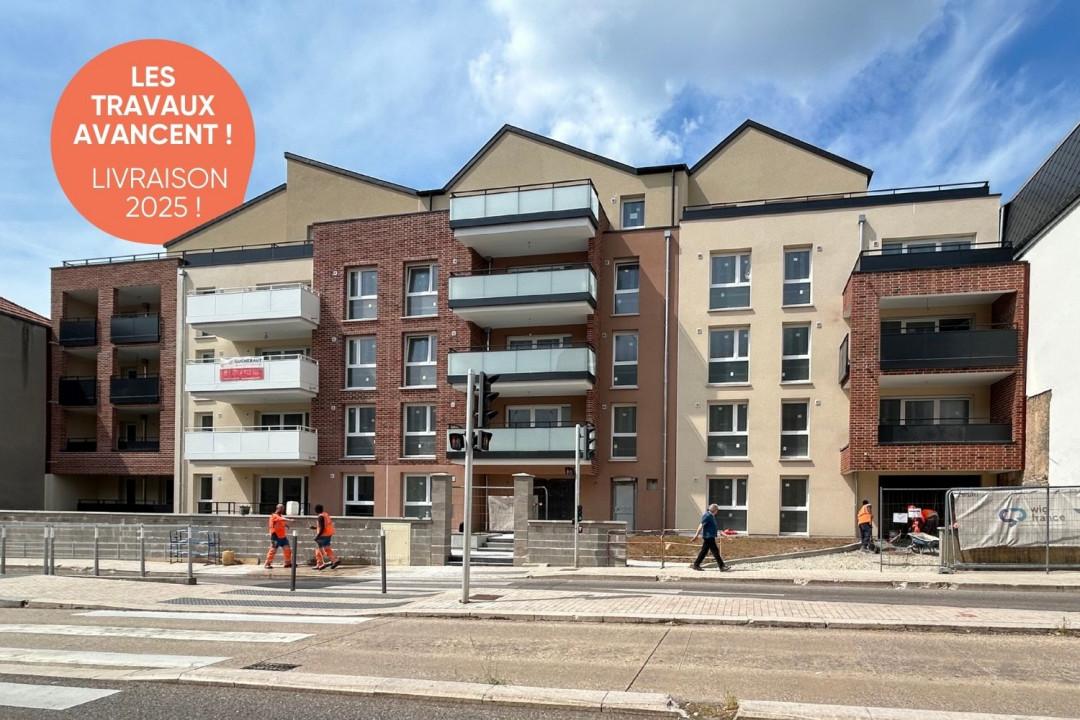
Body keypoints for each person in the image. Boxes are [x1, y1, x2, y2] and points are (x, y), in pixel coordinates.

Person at [690, 503, 729, 571]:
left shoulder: (711, 516)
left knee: (704, 551)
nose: (717, 511)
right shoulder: (707, 515)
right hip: (708, 537)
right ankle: (722, 566)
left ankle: (696, 564)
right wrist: (696, 535)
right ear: (714, 510)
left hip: (710, 536)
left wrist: (720, 533)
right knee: (715, 551)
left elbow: (713, 526)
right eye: (717, 510)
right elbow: (701, 525)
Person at [309, 504, 340, 570]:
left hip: (323, 535)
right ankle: (333, 560)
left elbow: (322, 528)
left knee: (321, 549)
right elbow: (323, 526)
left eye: (315, 509)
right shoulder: (325, 514)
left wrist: (317, 536)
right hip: (328, 534)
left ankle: (323, 563)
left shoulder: (320, 517)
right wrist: (315, 527)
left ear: (317, 510)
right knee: (325, 548)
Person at [264, 503, 292, 569]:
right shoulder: (274, 515)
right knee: (273, 550)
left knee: (287, 550)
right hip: (275, 537)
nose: (283, 510)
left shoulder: (280, 516)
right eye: (282, 508)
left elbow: (281, 522)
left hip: (283, 537)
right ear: (278, 508)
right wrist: (289, 520)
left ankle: (287, 563)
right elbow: (279, 519)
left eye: (283, 508)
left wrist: (286, 525)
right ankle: (267, 564)